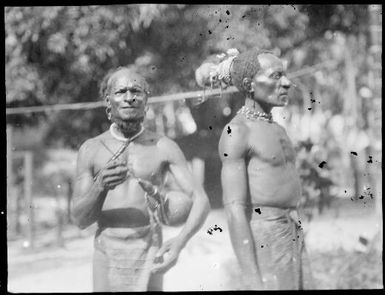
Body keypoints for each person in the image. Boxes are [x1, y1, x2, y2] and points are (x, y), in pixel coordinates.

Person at [71, 67, 210, 292]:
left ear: (147, 100)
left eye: (136, 91)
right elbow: (79, 219)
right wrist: (100, 187)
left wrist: (179, 243)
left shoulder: (164, 146)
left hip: (149, 245)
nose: (129, 97)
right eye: (121, 92)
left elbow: (201, 200)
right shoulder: (91, 149)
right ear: (108, 101)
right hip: (107, 247)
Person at [196, 48, 314, 290]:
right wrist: (251, 278)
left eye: (285, 76)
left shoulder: (277, 129)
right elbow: (234, 209)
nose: (287, 83)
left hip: (292, 231)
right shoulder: (237, 131)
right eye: (276, 76)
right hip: (266, 236)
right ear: (249, 85)